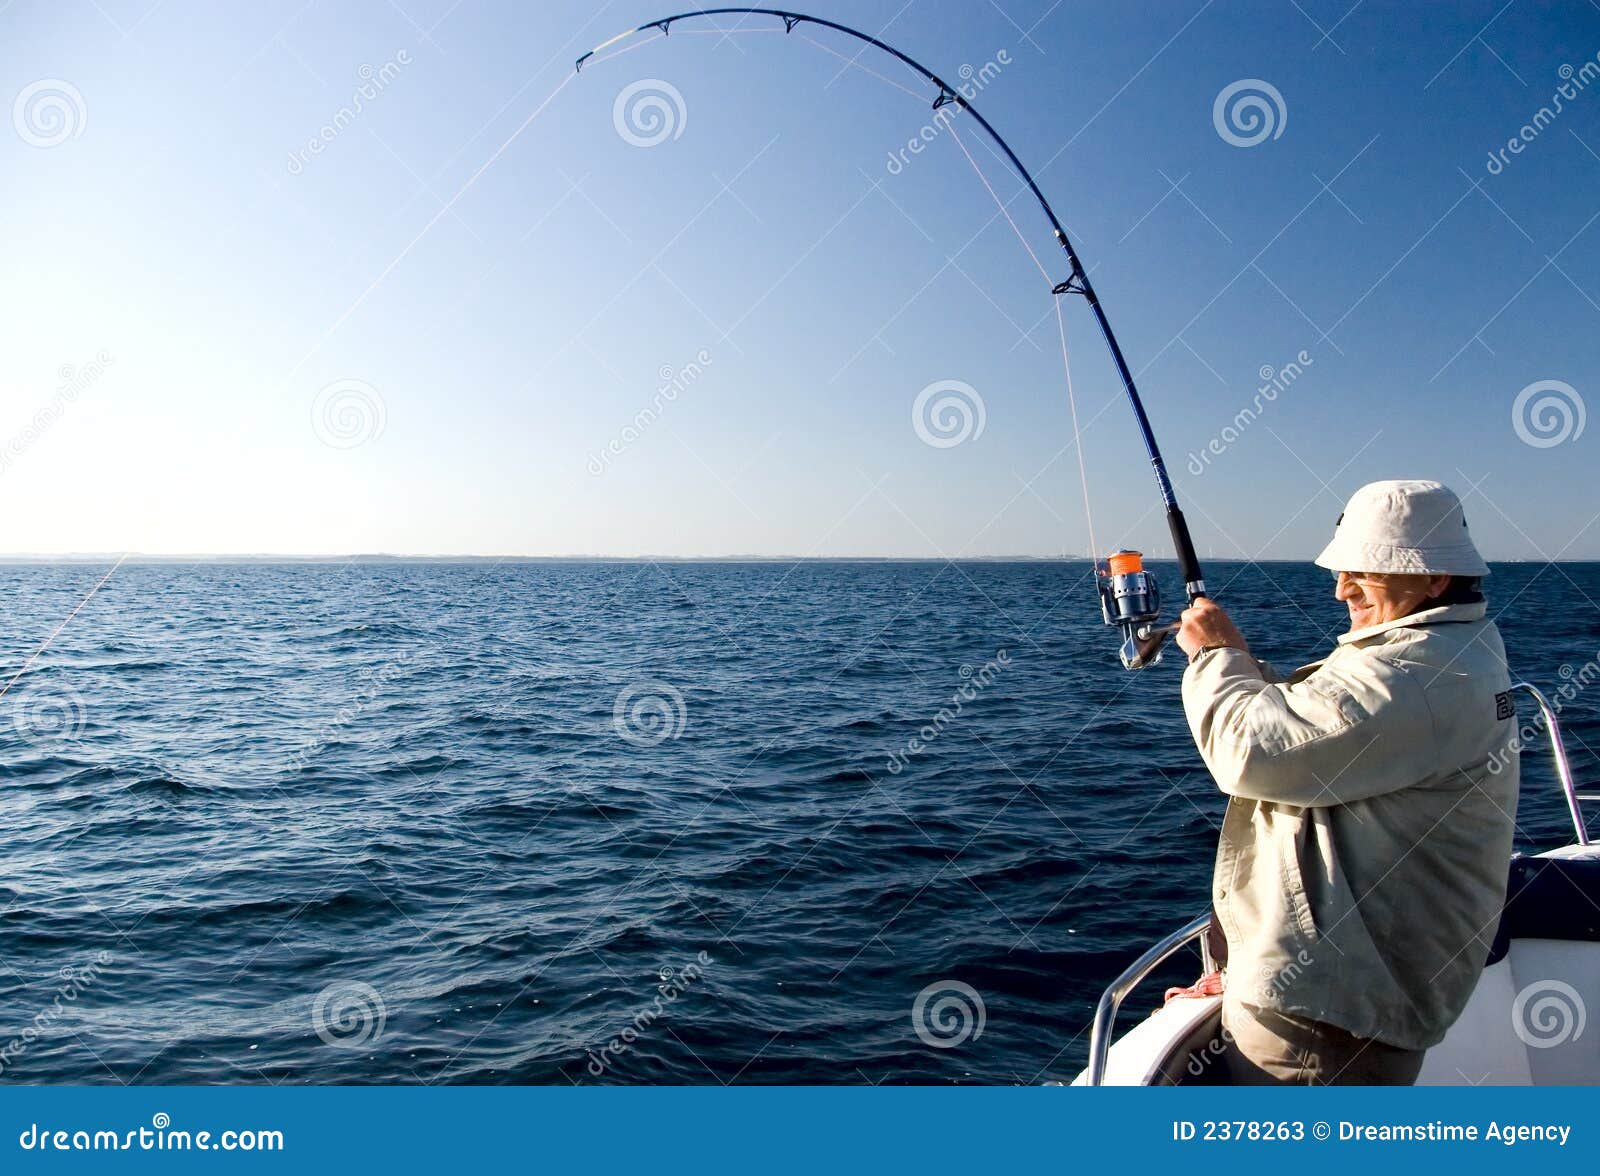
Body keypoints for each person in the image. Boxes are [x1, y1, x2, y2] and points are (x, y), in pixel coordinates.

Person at [1175, 479, 1518, 1085]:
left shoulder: (1414, 674)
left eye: (1365, 570)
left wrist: (1216, 657)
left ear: (1435, 579)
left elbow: (1250, 752)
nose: (1341, 589)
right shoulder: (1450, 649)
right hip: (1349, 998)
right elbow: (1329, 726)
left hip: (1324, 1018)